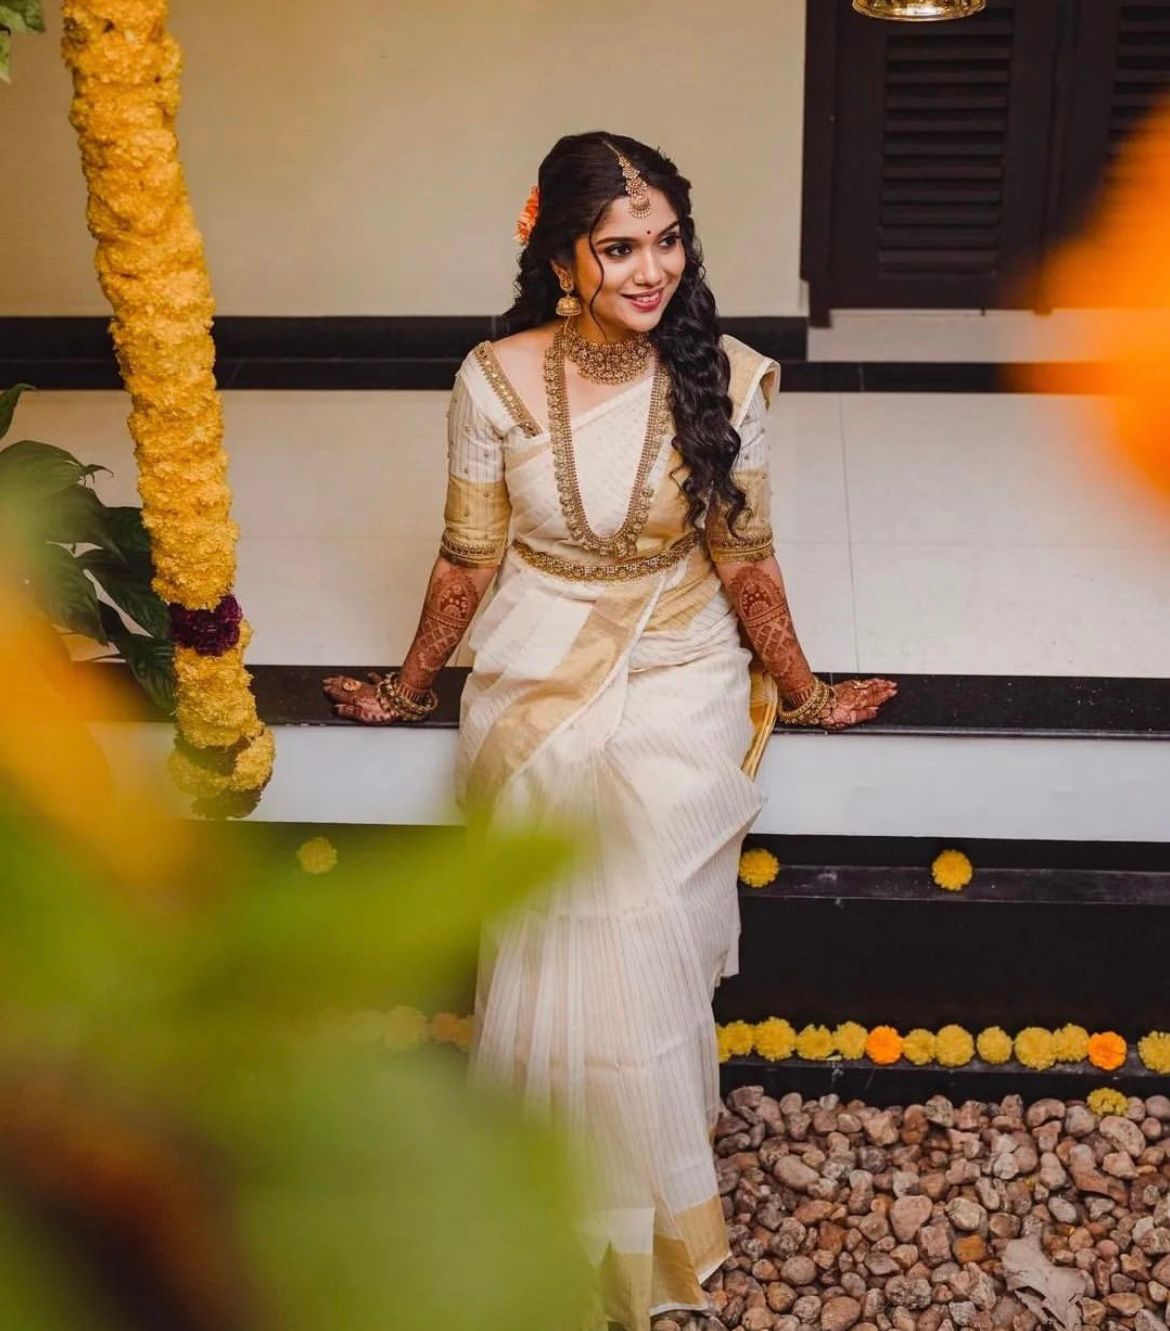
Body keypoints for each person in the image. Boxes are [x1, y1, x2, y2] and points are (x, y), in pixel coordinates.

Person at [322, 131, 897, 1331]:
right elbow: (467, 558)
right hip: (538, 652)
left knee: (628, 877)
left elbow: (746, 562)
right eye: (621, 246)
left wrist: (803, 690)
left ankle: (623, 1203)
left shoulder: (725, 376)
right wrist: (413, 686)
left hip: (679, 652)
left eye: (669, 240)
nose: (653, 270)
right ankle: (588, 1193)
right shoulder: (495, 378)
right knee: (566, 847)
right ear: (559, 255)